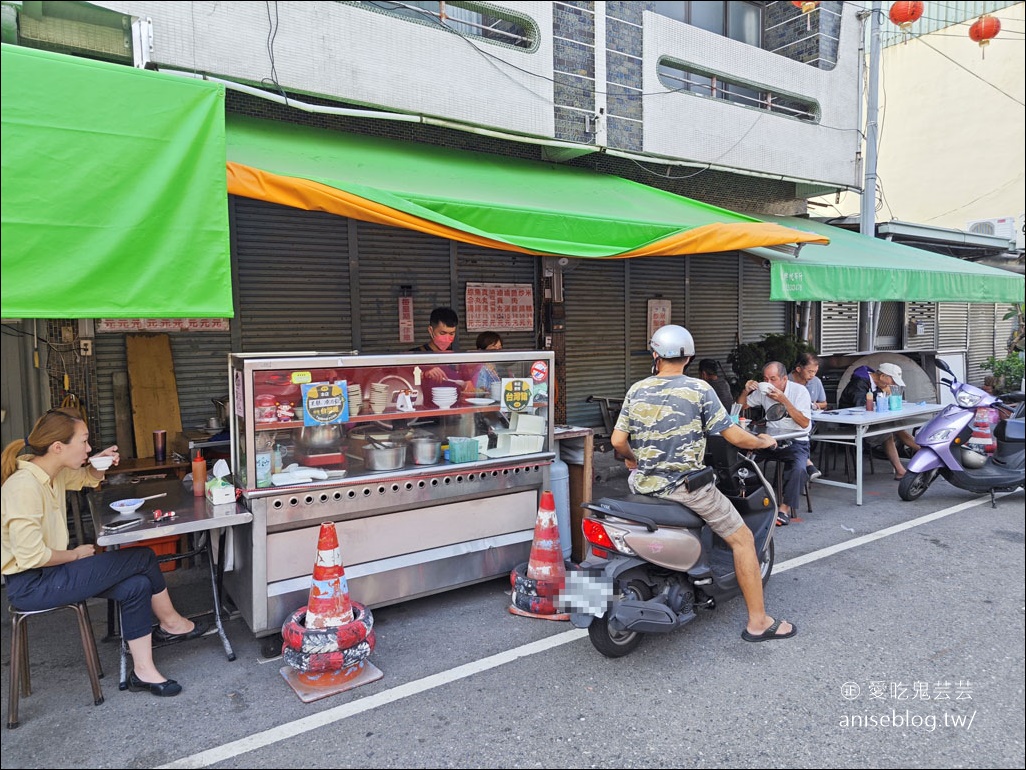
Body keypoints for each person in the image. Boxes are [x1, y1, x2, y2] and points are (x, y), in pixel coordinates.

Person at [1, 408, 206, 698]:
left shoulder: (51, 472)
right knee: (142, 557)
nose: (88, 448)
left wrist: (102, 462)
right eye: (83, 442)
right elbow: (31, 557)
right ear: (58, 447)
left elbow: (87, 478)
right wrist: (75, 555)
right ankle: (172, 623)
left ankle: (143, 672)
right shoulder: (24, 487)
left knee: (138, 585)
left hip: (54, 573)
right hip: (34, 583)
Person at [611, 325, 796, 643]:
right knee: (742, 540)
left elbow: (618, 441)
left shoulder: (637, 390)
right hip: (686, 488)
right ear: (689, 356)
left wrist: (632, 458)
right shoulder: (698, 390)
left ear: (655, 355)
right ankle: (758, 622)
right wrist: (763, 442)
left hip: (641, 485)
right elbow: (733, 435)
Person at [737, 361, 813, 526]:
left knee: (798, 468)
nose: (769, 383)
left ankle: (784, 509)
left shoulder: (800, 391)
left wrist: (784, 400)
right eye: (765, 379)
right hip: (770, 440)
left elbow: (805, 423)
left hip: (796, 441)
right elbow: (741, 406)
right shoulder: (764, 392)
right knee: (743, 459)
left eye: (773, 379)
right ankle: (747, 501)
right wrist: (746, 390)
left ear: (784, 379)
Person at [838, 362, 920, 480]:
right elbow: (860, 406)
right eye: (892, 381)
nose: (891, 385)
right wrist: (881, 395)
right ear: (882, 376)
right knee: (889, 432)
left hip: (869, 421)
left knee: (896, 427)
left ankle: (915, 460)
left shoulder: (875, 384)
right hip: (852, 424)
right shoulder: (859, 382)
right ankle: (924, 455)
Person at [790, 352, 827, 482]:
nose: (812, 375)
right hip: (789, 422)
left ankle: (803, 469)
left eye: (815, 372)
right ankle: (808, 465)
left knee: (803, 431)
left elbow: (824, 403)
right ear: (799, 369)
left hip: (810, 421)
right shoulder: (786, 381)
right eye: (810, 371)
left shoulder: (816, 382)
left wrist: (815, 406)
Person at [409, 306, 467, 388]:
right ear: (430, 330)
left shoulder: (455, 357)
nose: (447, 338)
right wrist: (425, 374)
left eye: (451, 334)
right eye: (443, 333)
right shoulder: (414, 355)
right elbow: (407, 381)